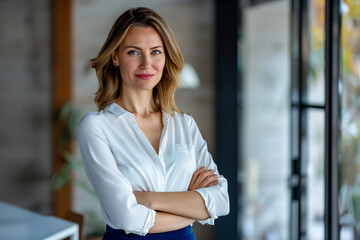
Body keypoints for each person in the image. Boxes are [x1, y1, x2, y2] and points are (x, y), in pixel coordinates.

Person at [77, 7, 229, 240]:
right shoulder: (96, 127)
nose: (147, 63)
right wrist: (193, 207)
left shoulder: (184, 125)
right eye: (134, 52)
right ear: (116, 57)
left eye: (156, 51)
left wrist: (148, 199)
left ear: (166, 57)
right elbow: (127, 217)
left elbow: (221, 201)